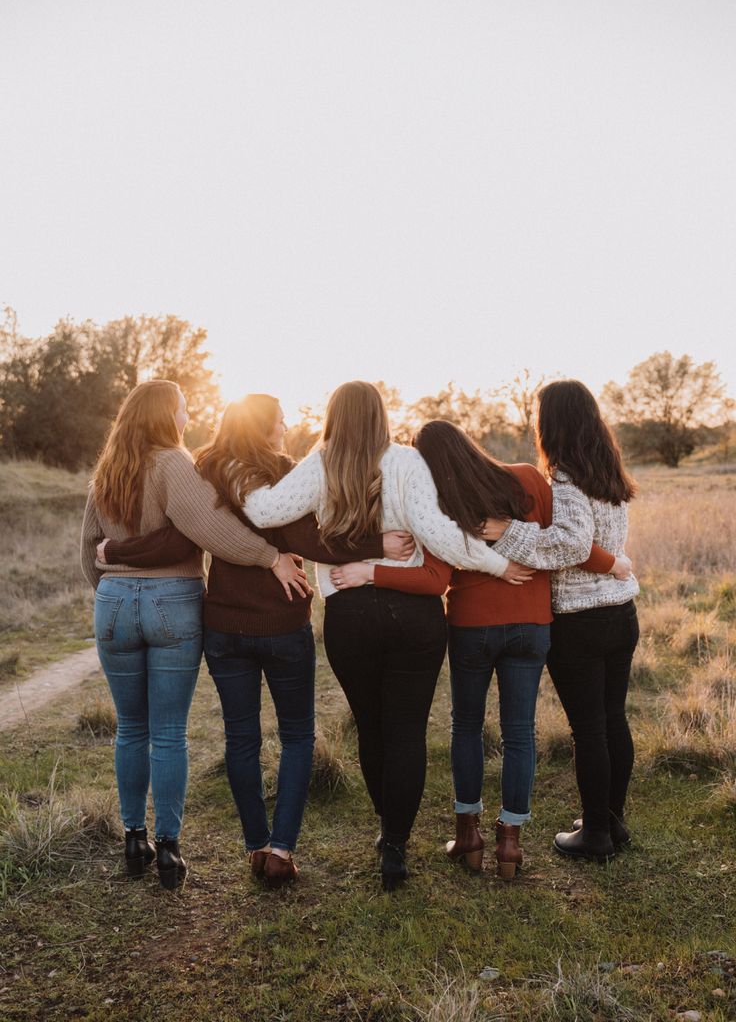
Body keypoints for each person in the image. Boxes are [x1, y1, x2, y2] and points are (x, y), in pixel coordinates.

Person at [97, 394, 413, 886]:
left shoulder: (205, 468)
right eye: (281, 419)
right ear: (264, 429)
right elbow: (310, 541)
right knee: (297, 736)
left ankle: (256, 845)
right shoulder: (286, 471)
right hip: (283, 626)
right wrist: (379, 545)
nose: (287, 425)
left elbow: (188, 535)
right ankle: (282, 849)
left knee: (240, 738)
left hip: (224, 628)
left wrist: (112, 566)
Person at [242, 381, 534, 890]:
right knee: (406, 732)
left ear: (335, 416)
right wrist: (494, 563)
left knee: (371, 727)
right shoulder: (405, 461)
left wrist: (233, 475)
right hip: (414, 616)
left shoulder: (320, 462)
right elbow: (438, 532)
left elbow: (265, 511)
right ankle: (395, 846)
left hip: (350, 614)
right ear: (380, 416)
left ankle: (386, 827)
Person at [329, 419, 625, 879]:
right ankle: (510, 844)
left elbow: (435, 578)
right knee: (519, 732)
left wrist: (372, 571)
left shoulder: (443, 502)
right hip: (531, 626)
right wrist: (614, 563)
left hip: (471, 627)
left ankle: (468, 836)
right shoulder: (528, 476)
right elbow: (569, 545)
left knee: (466, 726)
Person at [80, 380, 308, 889]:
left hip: (112, 603)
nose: (187, 419)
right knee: (166, 734)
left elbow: (88, 549)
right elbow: (211, 530)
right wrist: (269, 557)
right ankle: (168, 850)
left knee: (130, 728)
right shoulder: (172, 462)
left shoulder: (108, 467)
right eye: (183, 410)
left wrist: (114, 589)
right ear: (166, 416)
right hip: (171, 603)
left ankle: (133, 838)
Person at [483, 379, 639, 862]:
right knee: (613, 719)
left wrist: (507, 534)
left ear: (552, 424)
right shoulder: (609, 476)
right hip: (620, 614)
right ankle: (610, 821)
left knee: (590, 728)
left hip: (581, 621)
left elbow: (571, 544)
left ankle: (594, 834)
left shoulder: (568, 481)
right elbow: (593, 544)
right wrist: (611, 564)